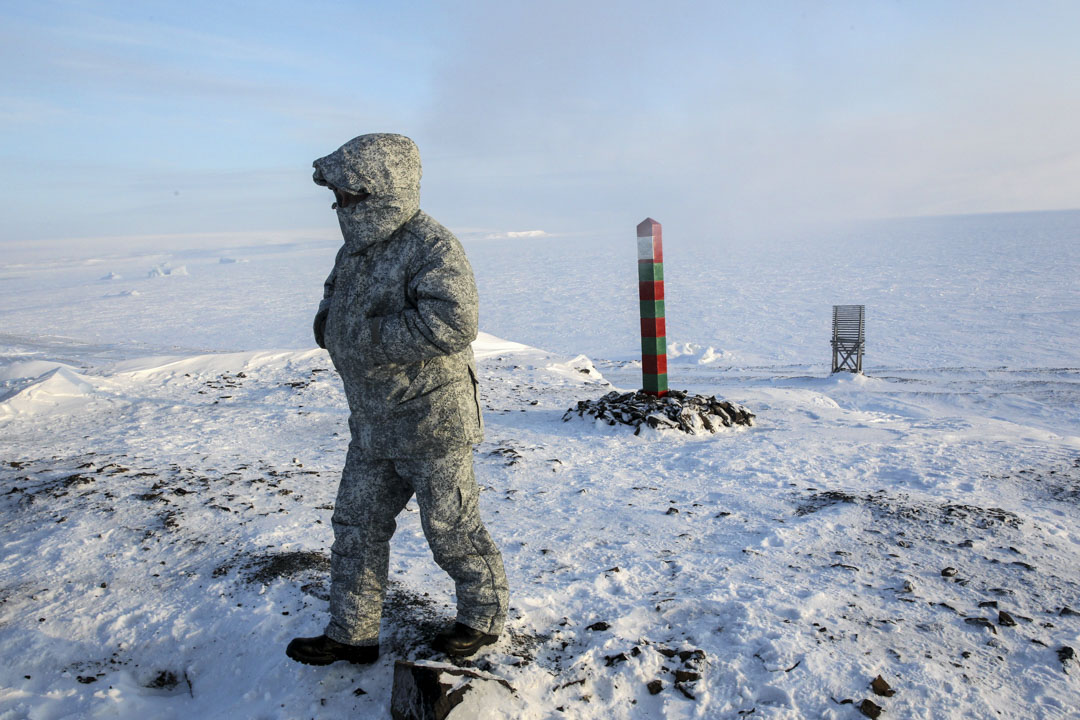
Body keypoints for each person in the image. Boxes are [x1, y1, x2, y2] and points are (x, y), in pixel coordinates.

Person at [286, 133, 509, 666]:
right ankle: (352, 633)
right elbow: (333, 298)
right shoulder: (355, 250)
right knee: (356, 526)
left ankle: (483, 617)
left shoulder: (431, 245)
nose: (340, 206)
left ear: (383, 190)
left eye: (351, 195)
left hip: (434, 419)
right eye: (337, 196)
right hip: (372, 421)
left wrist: (363, 339)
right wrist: (327, 325)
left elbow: (453, 322)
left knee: (451, 529)